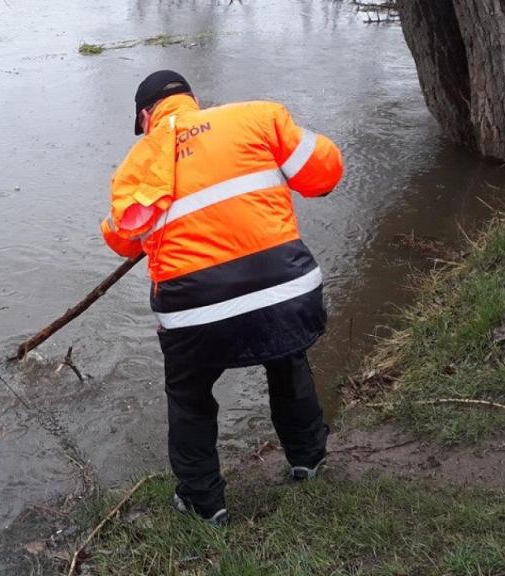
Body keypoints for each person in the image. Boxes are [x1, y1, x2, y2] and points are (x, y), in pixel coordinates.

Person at [101, 70, 343, 526]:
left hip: (196, 313)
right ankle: (308, 459)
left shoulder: (138, 162)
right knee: (287, 358)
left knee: (189, 395)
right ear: (191, 100)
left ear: (145, 115)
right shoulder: (258, 117)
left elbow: (121, 238)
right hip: (285, 291)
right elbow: (325, 171)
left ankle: (203, 501)